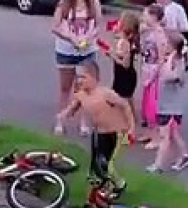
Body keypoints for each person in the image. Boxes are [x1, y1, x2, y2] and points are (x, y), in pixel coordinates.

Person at [57, 61, 134, 193]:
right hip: (99, 133)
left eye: (83, 77)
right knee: (97, 162)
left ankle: (120, 185)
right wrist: (63, 115)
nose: (79, 80)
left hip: (116, 133)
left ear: (94, 78)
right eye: (78, 77)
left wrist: (131, 128)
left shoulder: (105, 94)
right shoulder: (81, 95)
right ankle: (101, 185)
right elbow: (73, 108)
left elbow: (125, 105)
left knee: (107, 164)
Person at [52, 0, 103, 136]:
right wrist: (70, 38)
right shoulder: (64, 3)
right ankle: (60, 121)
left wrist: (88, 37)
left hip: (87, 51)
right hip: (66, 51)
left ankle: (83, 122)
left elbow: (98, 25)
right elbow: (55, 27)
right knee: (65, 88)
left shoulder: (94, 3)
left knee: (84, 87)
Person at [147, 32, 188, 173]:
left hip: (171, 107)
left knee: (164, 136)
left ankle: (158, 165)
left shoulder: (178, 62)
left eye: (166, 44)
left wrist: (169, 59)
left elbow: (168, 76)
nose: (163, 46)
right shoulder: (171, 60)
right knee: (173, 134)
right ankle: (185, 156)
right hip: (166, 104)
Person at [138, 4, 169, 149]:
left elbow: (162, 58)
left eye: (146, 14)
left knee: (152, 107)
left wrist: (155, 75)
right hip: (147, 70)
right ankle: (149, 133)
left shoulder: (159, 34)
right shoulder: (149, 31)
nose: (143, 17)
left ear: (154, 17)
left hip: (154, 73)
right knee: (145, 105)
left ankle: (157, 137)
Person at [102, 11, 140, 119]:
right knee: (127, 98)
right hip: (123, 75)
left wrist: (111, 55)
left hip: (125, 76)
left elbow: (125, 64)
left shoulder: (125, 43)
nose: (117, 23)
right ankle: (131, 119)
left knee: (119, 99)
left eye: (120, 22)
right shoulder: (126, 40)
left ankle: (122, 121)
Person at [157, 0, 188, 71]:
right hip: (161, 34)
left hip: (174, 34)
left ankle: (184, 60)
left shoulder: (177, 8)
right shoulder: (154, 8)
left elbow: (184, 27)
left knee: (180, 42)